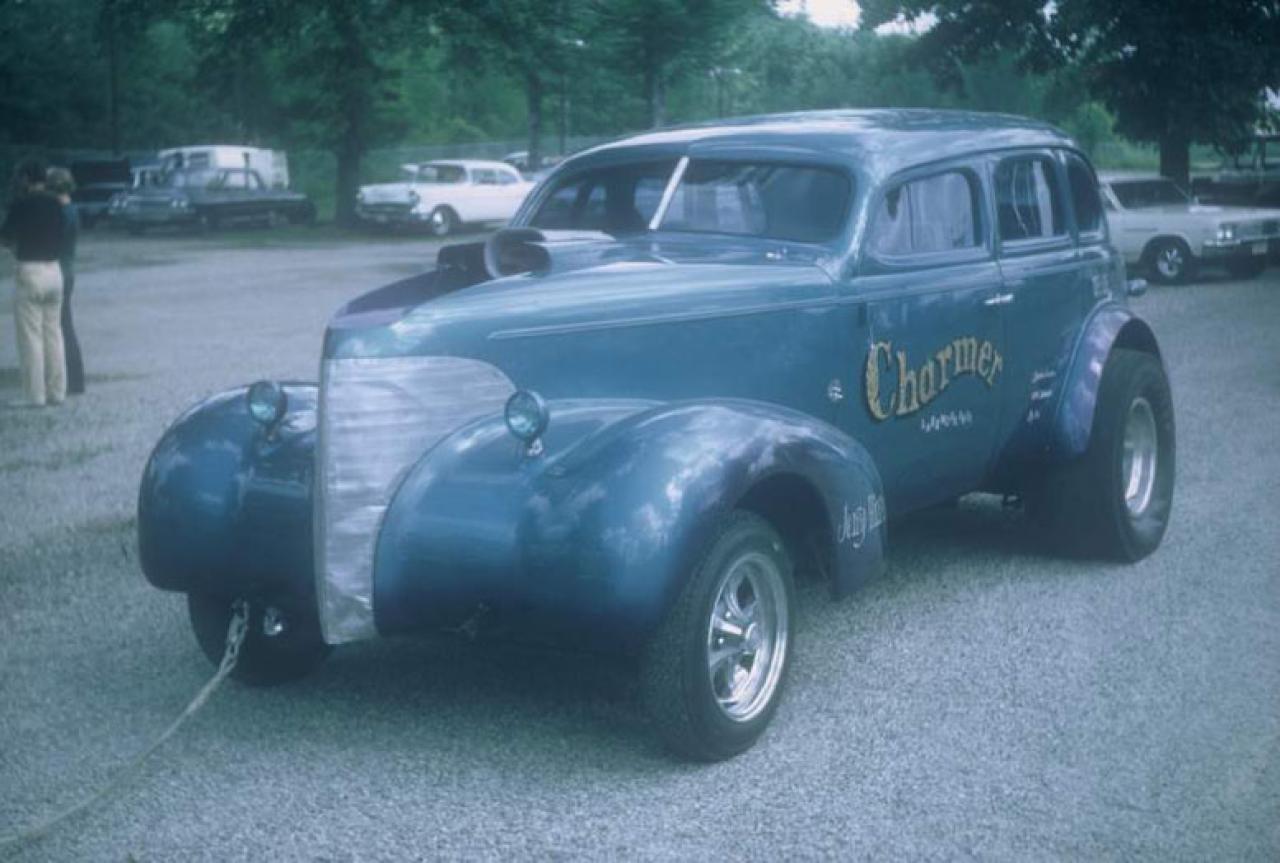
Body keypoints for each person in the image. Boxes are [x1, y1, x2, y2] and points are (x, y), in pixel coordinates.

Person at [1, 158, 66, 407]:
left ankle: (35, 395)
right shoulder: (57, 204)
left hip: (30, 269)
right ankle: (57, 391)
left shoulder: (21, 204)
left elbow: (5, 237)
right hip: (54, 270)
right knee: (53, 334)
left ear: (27, 179)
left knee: (31, 337)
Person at [45, 167, 84, 395]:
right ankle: (74, 379)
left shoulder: (61, 212)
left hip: (58, 269)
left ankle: (71, 379)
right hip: (67, 269)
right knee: (64, 324)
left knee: (61, 327)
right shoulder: (71, 209)